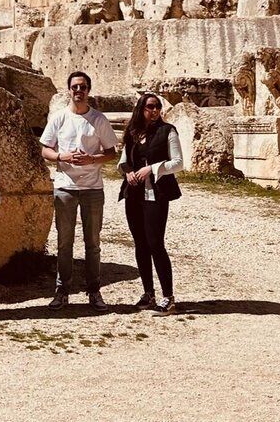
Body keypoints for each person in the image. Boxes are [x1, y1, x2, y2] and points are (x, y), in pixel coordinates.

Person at [39, 70, 119, 310]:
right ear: (69, 90)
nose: (78, 91)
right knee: (64, 243)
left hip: (92, 188)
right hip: (65, 187)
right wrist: (61, 156)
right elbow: (45, 149)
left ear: (88, 90)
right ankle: (62, 291)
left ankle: (94, 291)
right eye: (74, 87)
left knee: (93, 243)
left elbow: (111, 153)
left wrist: (92, 159)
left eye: (83, 87)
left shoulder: (98, 120)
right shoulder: (60, 118)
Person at [119, 92, 183, 315]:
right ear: (141, 109)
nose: (154, 111)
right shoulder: (133, 133)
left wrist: (153, 168)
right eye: (149, 107)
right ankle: (148, 293)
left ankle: (168, 297)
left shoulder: (168, 131)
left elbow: (178, 163)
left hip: (156, 194)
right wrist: (127, 173)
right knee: (140, 244)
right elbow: (124, 161)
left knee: (156, 243)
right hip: (134, 194)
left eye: (157, 107)